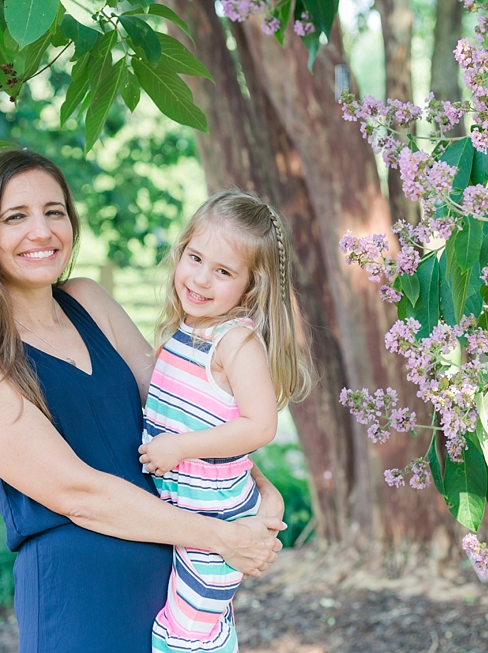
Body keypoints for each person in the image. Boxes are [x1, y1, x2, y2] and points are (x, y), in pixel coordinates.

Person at [0, 150, 285, 653]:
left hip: (173, 583)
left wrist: (252, 491)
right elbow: (78, 494)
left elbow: (180, 407)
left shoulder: (89, 299)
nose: (42, 231)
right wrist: (220, 537)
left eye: (55, 211)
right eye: (15, 217)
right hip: (82, 604)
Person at [138, 191, 311, 653]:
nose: (200, 278)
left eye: (223, 271)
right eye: (195, 258)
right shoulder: (186, 330)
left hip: (215, 513)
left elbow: (260, 427)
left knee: (190, 635)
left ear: (250, 287)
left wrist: (178, 448)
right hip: (182, 504)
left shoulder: (235, 343)